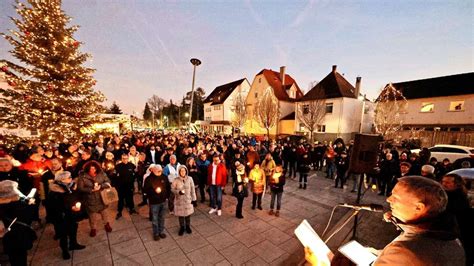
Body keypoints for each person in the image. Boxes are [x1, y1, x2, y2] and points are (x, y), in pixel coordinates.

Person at [305, 176, 466, 266]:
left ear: (419, 207)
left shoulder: (408, 252)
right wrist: (377, 253)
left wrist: (320, 264)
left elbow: (405, 258)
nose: (388, 200)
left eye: (395, 198)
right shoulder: (449, 237)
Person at [48, 171, 85, 260]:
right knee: (63, 234)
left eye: (70, 177)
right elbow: (55, 206)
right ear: (62, 180)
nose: (71, 178)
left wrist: (79, 204)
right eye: (68, 178)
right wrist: (69, 208)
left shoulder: (72, 186)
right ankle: (64, 250)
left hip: (73, 214)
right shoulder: (55, 191)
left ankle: (73, 244)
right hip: (62, 216)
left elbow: (78, 197)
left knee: (73, 228)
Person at [0, 180, 36, 266]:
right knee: (21, 258)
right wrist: (31, 205)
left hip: (7, 237)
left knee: (14, 259)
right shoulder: (18, 204)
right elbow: (28, 218)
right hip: (18, 236)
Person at [441, 174, 473, 266]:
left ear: (456, 184)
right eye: (443, 182)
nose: (444, 184)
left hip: (458, 231)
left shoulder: (458, 198)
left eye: (447, 182)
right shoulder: (445, 195)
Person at [77, 161, 113, 237]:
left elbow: (108, 182)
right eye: (91, 169)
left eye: (94, 168)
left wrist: (101, 186)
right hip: (90, 199)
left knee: (105, 214)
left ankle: (107, 224)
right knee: (92, 216)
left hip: (102, 198)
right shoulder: (82, 176)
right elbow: (80, 188)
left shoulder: (101, 173)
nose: (93, 170)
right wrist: (91, 190)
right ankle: (93, 228)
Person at [143, 165, 170, 241]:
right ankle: (156, 233)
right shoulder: (148, 179)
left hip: (163, 201)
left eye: (161, 171)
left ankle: (161, 231)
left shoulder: (164, 177)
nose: (160, 172)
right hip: (154, 202)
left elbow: (168, 187)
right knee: (155, 219)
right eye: (158, 171)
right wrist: (154, 191)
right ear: (153, 171)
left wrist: (167, 196)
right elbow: (145, 190)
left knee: (162, 218)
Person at [171, 166, 197, 236]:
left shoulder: (190, 179)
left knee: (188, 215)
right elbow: (172, 189)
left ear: (186, 171)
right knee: (181, 215)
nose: (183, 172)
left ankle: (188, 226)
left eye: (184, 170)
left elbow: (192, 189)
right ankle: (182, 227)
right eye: (181, 171)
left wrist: (194, 199)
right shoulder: (176, 180)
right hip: (179, 200)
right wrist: (178, 192)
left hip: (188, 200)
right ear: (179, 172)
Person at [113, 154, 137, 219]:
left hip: (129, 185)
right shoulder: (118, 166)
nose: (125, 160)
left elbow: (135, 173)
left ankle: (131, 208)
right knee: (120, 199)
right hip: (121, 186)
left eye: (126, 158)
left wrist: (133, 180)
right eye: (123, 158)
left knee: (130, 197)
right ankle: (119, 211)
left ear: (128, 158)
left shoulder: (131, 165)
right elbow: (114, 176)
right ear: (121, 159)